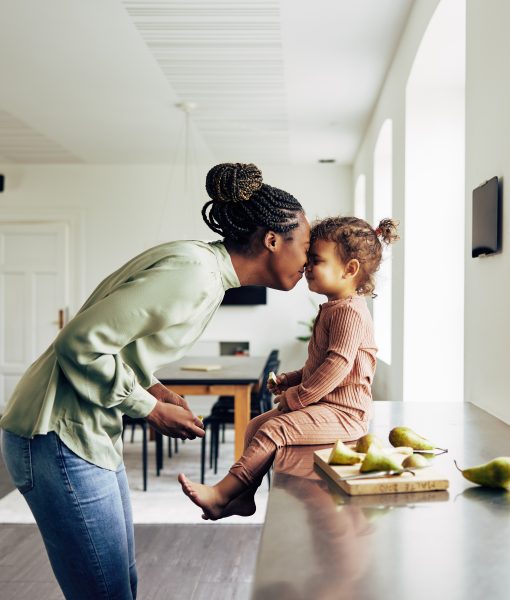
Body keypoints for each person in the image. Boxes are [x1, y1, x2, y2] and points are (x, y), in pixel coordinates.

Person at [0, 162, 310, 600]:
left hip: (80, 433)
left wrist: (156, 389)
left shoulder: (205, 270)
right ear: (272, 241)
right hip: (56, 434)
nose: (310, 260)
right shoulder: (195, 274)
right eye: (308, 246)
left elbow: (121, 345)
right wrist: (148, 409)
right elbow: (80, 343)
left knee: (119, 584)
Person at [179, 215, 399, 520]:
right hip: (326, 406)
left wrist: (298, 396)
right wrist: (291, 379)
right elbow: (321, 364)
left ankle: (221, 494)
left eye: (316, 260)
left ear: (350, 270)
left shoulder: (350, 313)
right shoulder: (334, 309)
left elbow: (337, 366)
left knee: (274, 430)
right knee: (256, 425)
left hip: (346, 414)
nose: (307, 266)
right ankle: (244, 497)